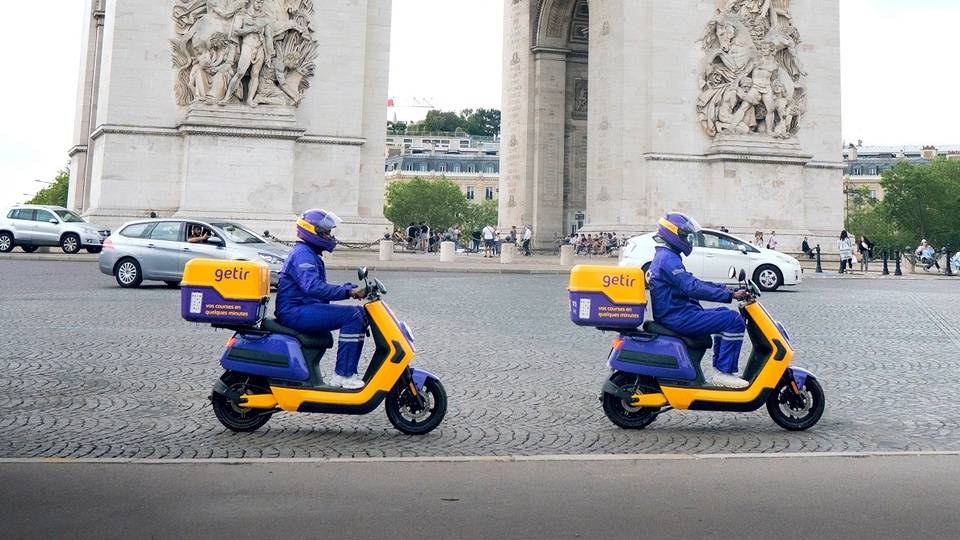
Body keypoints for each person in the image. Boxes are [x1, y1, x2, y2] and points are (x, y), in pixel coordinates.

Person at [648, 212, 750, 388]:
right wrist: (730, 295)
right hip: (676, 316)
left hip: (679, 312)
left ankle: (722, 370)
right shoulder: (667, 259)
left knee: (724, 314)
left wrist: (725, 288)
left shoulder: (668, 256)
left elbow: (692, 281)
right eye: (685, 236)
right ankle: (723, 372)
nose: (688, 240)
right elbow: (691, 287)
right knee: (733, 320)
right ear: (673, 233)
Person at [274, 209, 368, 389]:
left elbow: (316, 288)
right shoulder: (303, 254)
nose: (329, 236)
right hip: (295, 312)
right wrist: (348, 293)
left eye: (329, 232)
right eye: (325, 232)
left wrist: (348, 288)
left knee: (360, 313)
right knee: (353, 316)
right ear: (311, 231)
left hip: (302, 307)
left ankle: (350, 372)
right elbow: (313, 287)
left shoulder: (309, 252)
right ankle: (343, 375)